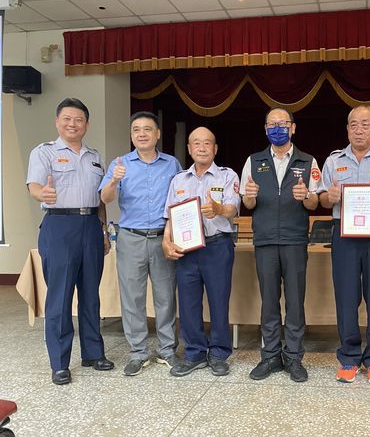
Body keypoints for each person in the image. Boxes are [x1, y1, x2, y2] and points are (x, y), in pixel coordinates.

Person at [26, 98, 114, 385]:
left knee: (91, 294)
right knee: (60, 298)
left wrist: (103, 230)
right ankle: (60, 362)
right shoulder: (44, 152)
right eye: (67, 119)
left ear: (86, 124)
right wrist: (43, 195)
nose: (72, 124)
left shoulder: (95, 156)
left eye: (78, 120)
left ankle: (92, 353)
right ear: (57, 121)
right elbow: (35, 186)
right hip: (59, 226)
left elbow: (101, 199)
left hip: (90, 225)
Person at [318, 105, 370, 386]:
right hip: (344, 235)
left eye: (365, 124)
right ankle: (349, 357)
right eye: (353, 124)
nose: (359, 130)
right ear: (347, 129)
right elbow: (321, 200)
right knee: (346, 298)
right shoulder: (333, 161)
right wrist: (328, 197)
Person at [240, 107, 321, 383]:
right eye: (272, 124)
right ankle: (270, 356)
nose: (277, 128)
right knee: (269, 302)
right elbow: (247, 203)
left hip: (295, 240)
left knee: (296, 302)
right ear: (265, 129)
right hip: (264, 240)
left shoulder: (308, 161)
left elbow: (315, 202)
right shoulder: (254, 161)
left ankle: (294, 357)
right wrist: (249, 197)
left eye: (282, 123)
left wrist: (306, 195)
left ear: (293, 128)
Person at [99, 111, 182, 376]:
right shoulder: (120, 164)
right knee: (132, 298)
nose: (142, 134)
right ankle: (138, 353)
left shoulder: (171, 164)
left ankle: (167, 350)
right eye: (136, 130)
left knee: (165, 296)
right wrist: (114, 179)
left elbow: (182, 197)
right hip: (131, 237)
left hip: (162, 237)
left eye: (148, 129)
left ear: (157, 134)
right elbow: (106, 197)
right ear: (131, 135)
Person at [162, 127, 240, 377]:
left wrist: (218, 209)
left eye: (208, 143)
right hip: (187, 249)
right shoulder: (178, 180)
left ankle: (218, 353)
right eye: (197, 143)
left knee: (218, 301)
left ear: (215, 148)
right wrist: (166, 241)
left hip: (217, 245)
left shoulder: (227, 176)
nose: (202, 147)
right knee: (188, 302)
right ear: (189, 149)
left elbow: (233, 209)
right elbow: (170, 216)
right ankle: (194, 353)